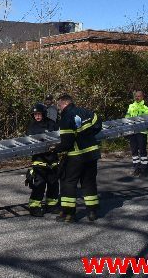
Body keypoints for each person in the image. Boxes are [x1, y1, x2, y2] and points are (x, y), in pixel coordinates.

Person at [52, 93, 102, 223]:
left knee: (68, 182)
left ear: (64, 104)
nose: (59, 109)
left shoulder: (65, 118)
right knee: (89, 182)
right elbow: (98, 123)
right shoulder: (85, 112)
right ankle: (92, 212)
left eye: (59, 106)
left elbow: (67, 142)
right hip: (92, 154)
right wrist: (88, 134)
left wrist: (55, 149)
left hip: (76, 156)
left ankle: (69, 214)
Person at [25, 103, 60, 217]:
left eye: (39, 114)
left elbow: (59, 138)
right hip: (39, 160)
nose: (37, 116)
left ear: (44, 113)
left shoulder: (52, 124)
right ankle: (34, 207)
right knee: (39, 185)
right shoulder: (32, 126)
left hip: (53, 159)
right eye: (35, 114)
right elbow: (29, 143)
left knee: (53, 184)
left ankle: (52, 205)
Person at [126, 90, 148, 176]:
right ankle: (136, 168)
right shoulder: (131, 106)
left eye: (139, 96)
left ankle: (144, 168)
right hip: (132, 131)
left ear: (142, 97)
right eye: (136, 96)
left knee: (142, 150)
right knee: (134, 150)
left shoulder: (146, 108)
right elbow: (127, 117)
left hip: (142, 132)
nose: (137, 97)